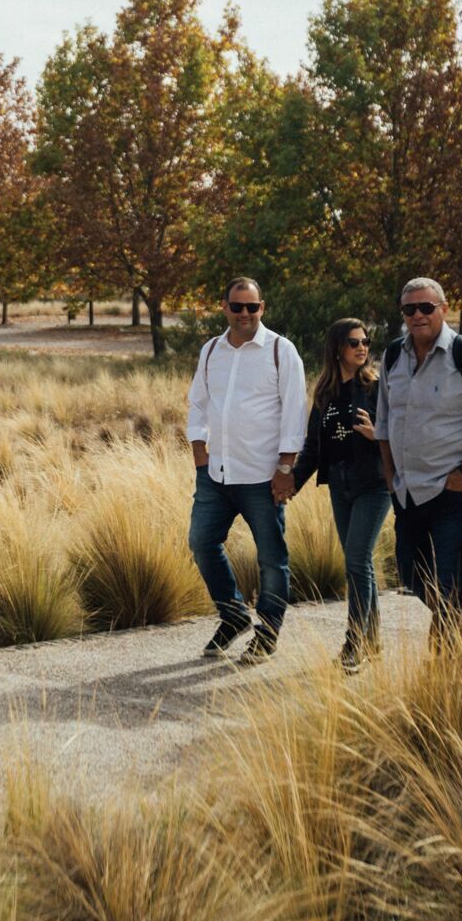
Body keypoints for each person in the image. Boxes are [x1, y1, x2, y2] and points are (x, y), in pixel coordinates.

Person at [374, 277, 462, 649]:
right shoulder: (392, 356)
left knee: (449, 580)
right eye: (410, 309)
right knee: (409, 571)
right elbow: (384, 423)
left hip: (453, 490)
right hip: (407, 491)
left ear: (444, 309)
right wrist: (390, 477)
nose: (418, 315)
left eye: (426, 307)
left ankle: (450, 668)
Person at [186, 277, 308, 662]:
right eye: (236, 307)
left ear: (262, 308)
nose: (244, 314)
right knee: (201, 543)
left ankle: (268, 632)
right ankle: (234, 614)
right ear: (225, 308)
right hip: (216, 476)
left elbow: (294, 413)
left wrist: (286, 468)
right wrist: (200, 457)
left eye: (251, 307)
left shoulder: (280, 351)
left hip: (262, 476)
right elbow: (197, 404)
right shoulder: (211, 351)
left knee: (272, 558)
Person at [292, 318, 389, 671]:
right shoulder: (325, 393)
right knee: (358, 563)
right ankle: (373, 639)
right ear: (337, 349)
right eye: (353, 342)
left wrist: (376, 434)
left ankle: (355, 643)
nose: (362, 348)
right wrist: (292, 483)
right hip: (340, 485)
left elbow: (399, 436)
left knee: (356, 560)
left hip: (374, 486)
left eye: (366, 341)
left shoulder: (378, 388)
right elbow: (314, 447)